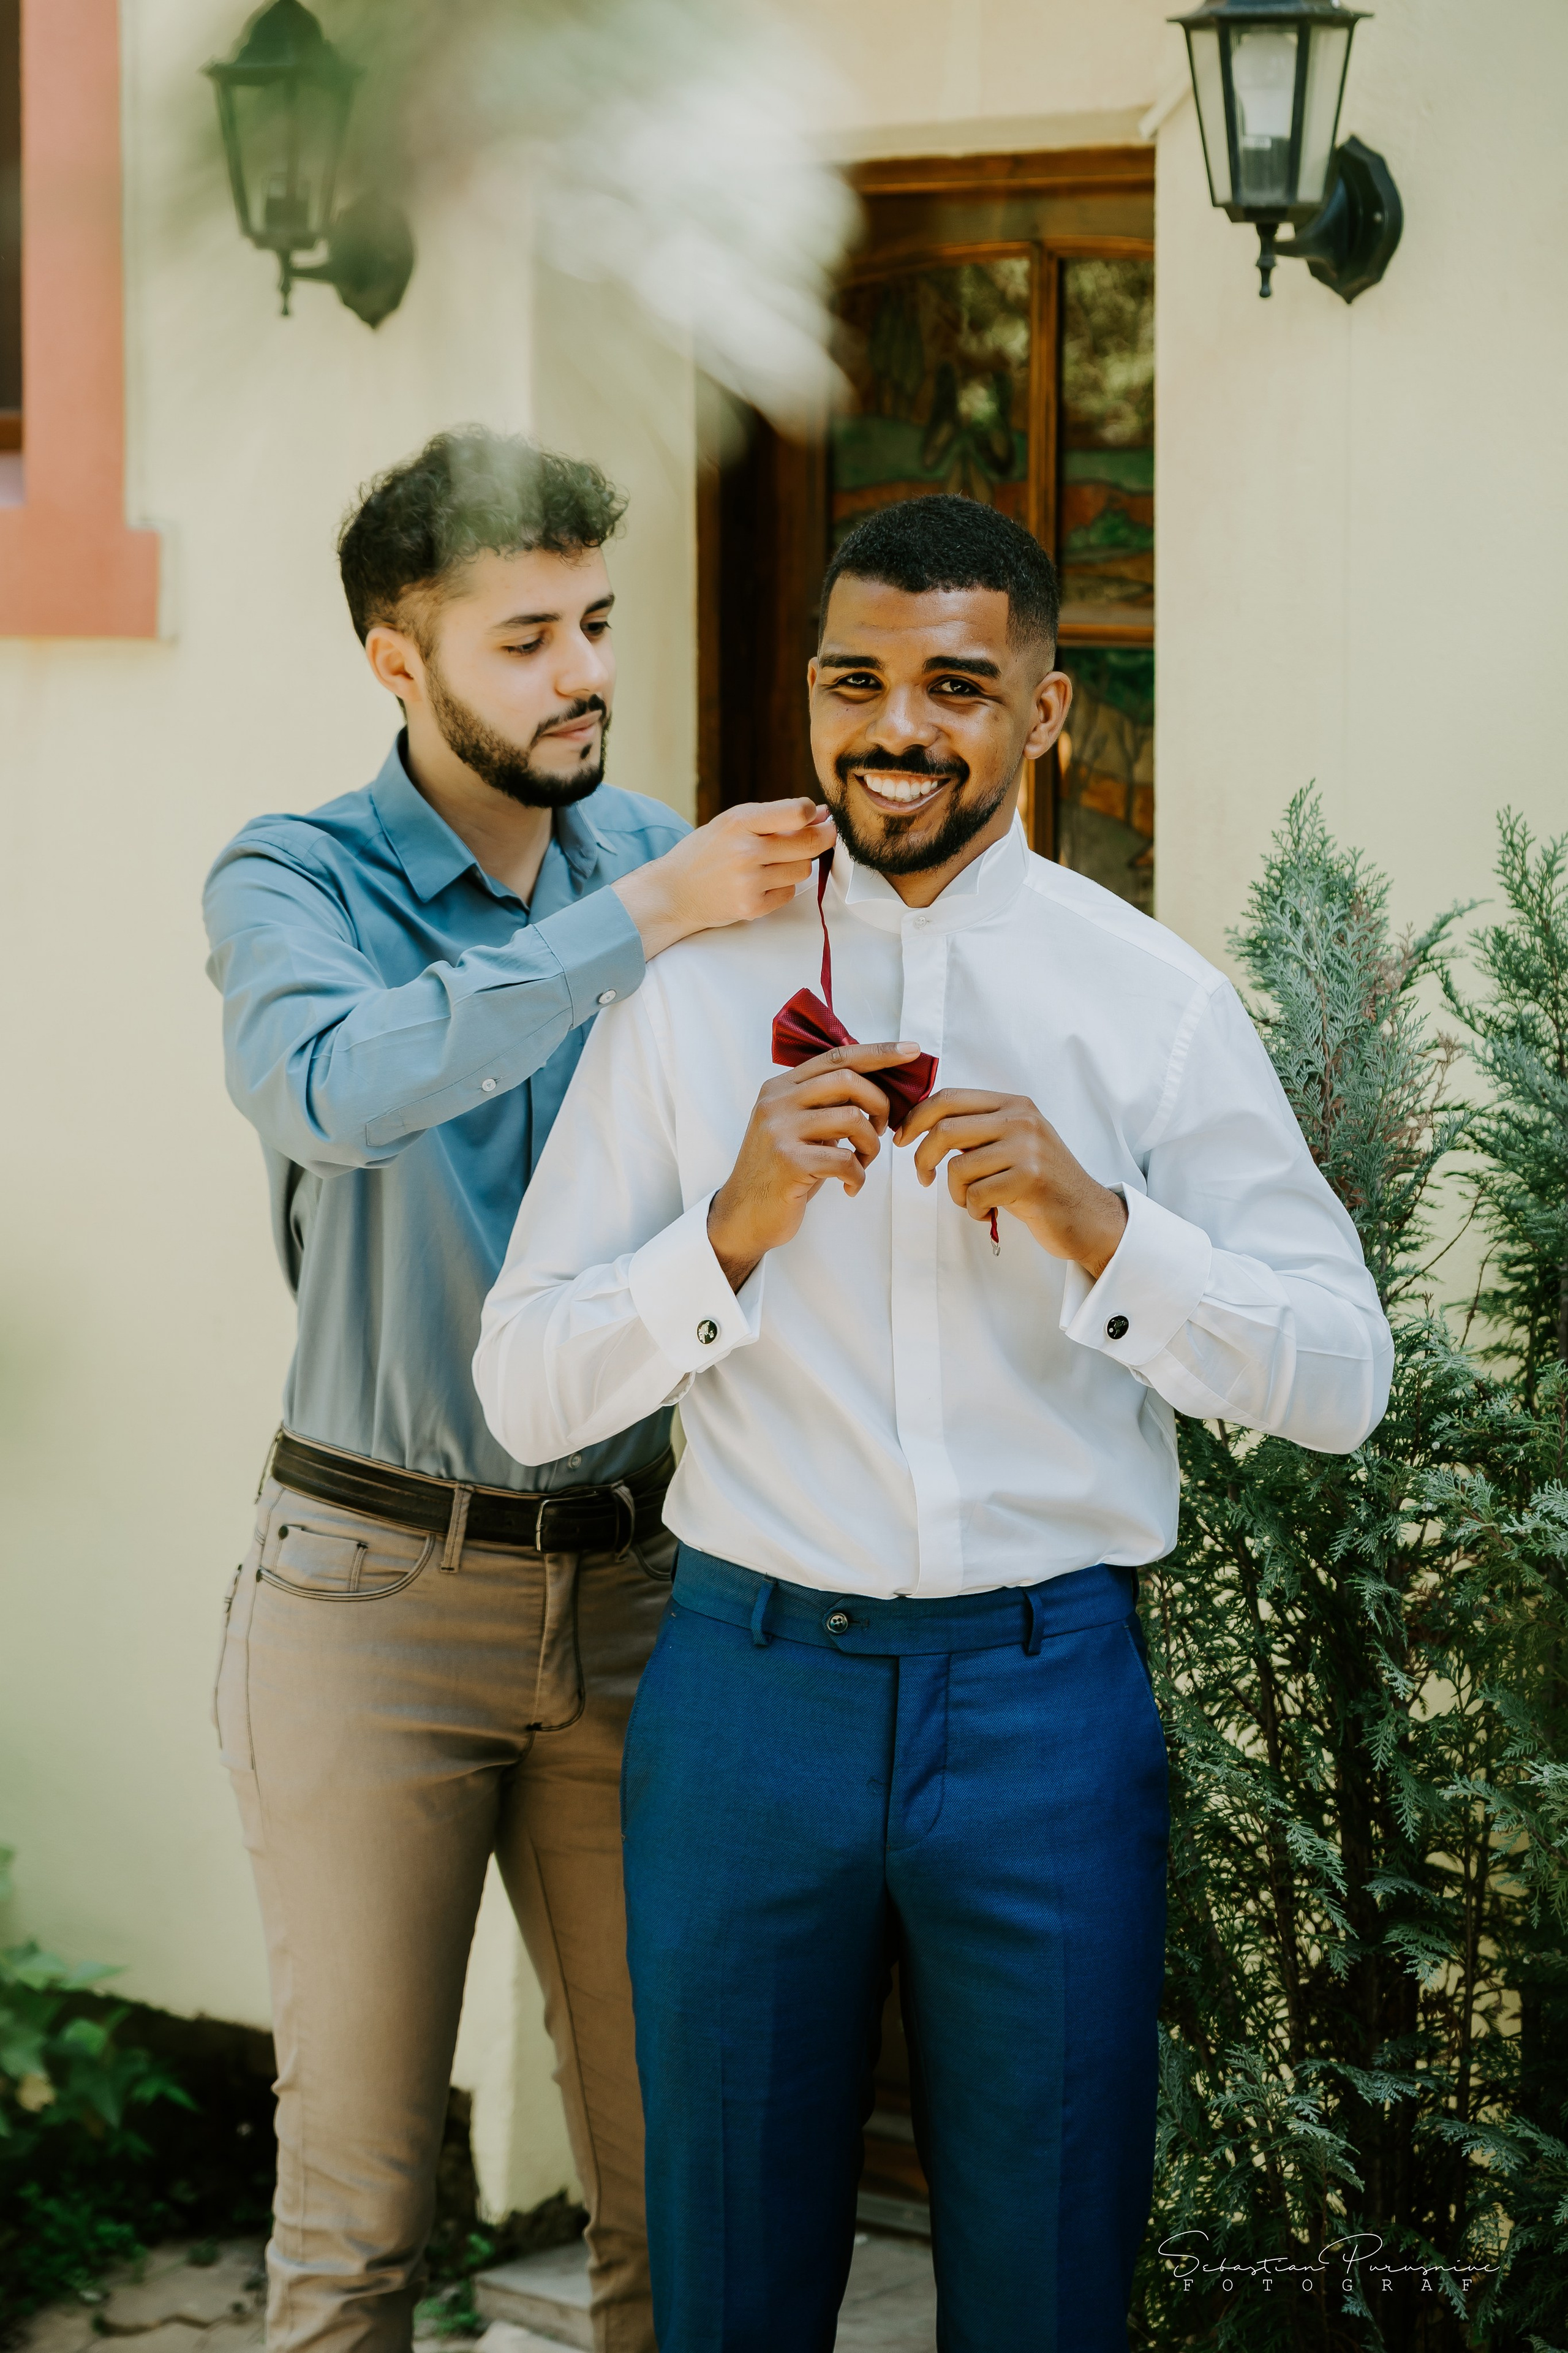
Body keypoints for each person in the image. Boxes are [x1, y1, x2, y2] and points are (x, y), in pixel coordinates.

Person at [473, 493, 1394, 2352]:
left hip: (1047, 1704)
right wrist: (722, 1232)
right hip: (748, 1701)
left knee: (1049, 2288)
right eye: (857, 680)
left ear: (1046, 714)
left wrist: (1105, 1230)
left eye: (959, 684)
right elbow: (524, 1381)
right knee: (726, 2288)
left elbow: (1341, 1375)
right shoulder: (690, 999)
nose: (899, 726)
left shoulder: (1153, 1007)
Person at [202, 427, 834, 2353]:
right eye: (528, 635)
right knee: (367, 2215)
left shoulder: (664, 853)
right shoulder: (294, 876)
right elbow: (333, 1084)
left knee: (680, 2189)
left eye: (599, 624)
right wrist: (635, 925)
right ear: (401, 662)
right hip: (372, 1599)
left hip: (652, 1596)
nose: (583, 672)